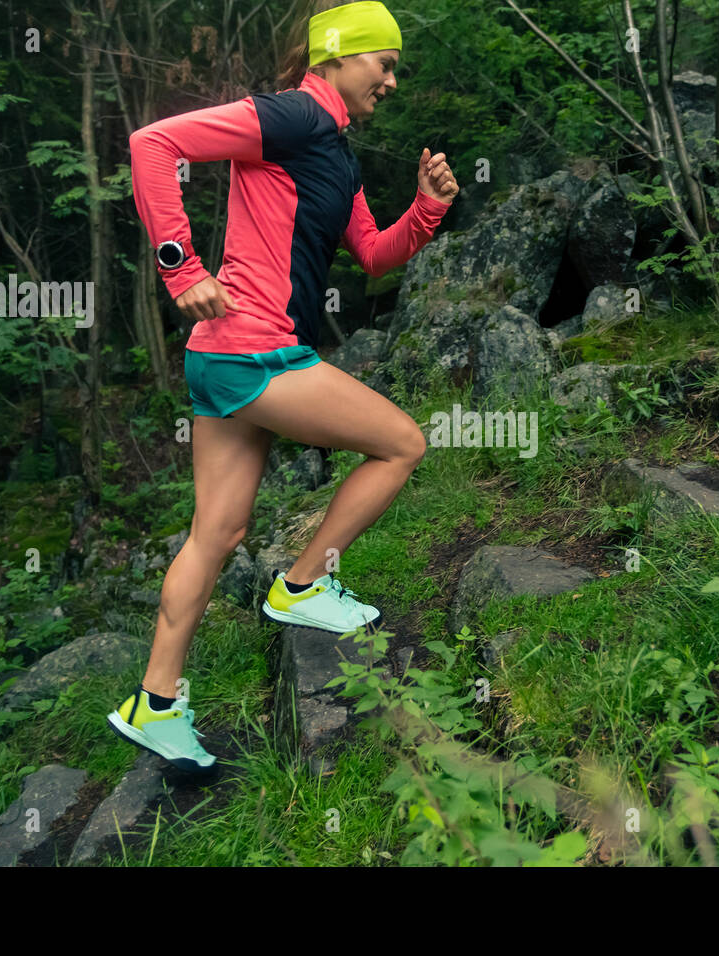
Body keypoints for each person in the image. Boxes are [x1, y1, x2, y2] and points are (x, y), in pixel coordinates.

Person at [106, 0, 459, 773]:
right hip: (253, 352)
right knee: (402, 443)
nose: (392, 81)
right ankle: (302, 585)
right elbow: (153, 142)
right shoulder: (296, 115)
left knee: (216, 534)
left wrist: (428, 210)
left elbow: (372, 252)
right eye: (384, 63)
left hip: (225, 355)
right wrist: (180, 266)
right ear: (337, 56)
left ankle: (155, 702)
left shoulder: (334, 152)